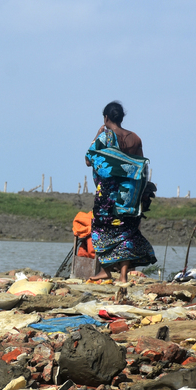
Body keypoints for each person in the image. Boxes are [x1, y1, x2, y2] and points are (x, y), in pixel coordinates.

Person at [84, 101, 157, 282]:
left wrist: (97, 134)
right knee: (126, 230)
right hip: (130, 193)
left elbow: (88, 159)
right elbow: (139, 164)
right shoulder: (135, 138)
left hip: (109, 194)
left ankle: (106, 270)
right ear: (121, 117)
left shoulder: (105, 138)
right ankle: (123, 276)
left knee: (101, 229)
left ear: (106, 117)